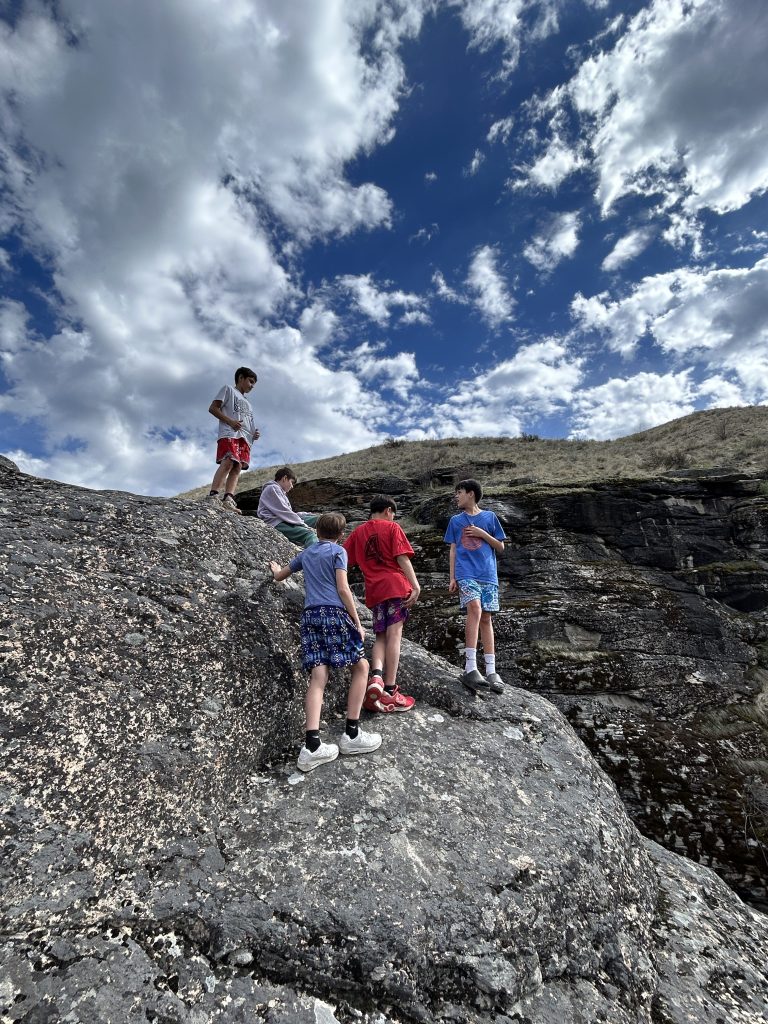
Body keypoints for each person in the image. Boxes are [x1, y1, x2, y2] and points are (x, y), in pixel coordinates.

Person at [269, 512, 381, 772]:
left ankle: (312, 745)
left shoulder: (306, 553)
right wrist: (356, 621)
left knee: (319, 675)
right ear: (341, 534)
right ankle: (352, 734)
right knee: (362, 667)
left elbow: (280, 575)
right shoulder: (338, 552)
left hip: (310, 617)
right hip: (333, 614)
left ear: (316, 530)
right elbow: (343, 588)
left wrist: (275, 569)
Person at [343, 495, 419, 713]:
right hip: (396, 587)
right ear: (388, 510)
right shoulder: (393, 528)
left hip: (375, 592)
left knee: (381, 636)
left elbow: (344, 558)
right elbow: (402, 558)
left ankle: (376, 676)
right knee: (395, 634)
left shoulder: (358, 532)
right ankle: (390, 689)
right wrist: (415, 586)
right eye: (393, 513)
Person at [444, 478, 507, 694]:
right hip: (466, 573)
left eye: (459, 492)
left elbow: (500, 547)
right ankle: (470, 667)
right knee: (475, 609)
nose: (456, 496)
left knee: (487, 618)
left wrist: (482, 534)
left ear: (471, 494)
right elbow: (453, 549)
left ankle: (491, 671)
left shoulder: (490, 517)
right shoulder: (455, 521)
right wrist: (452, 577)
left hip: (488, 575)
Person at [207, 367, 260, 513]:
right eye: (250, 381)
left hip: (245, 438)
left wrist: (253, 435)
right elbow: (213, 408)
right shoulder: (228, 389)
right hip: (230, 433)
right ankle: (213, 496)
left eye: (254, 383)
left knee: (238, 467)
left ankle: (228, 499)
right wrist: (230, 421)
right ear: (241, 378)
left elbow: (248, 422)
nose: (252, 386)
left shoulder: (248, 403)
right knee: (228, 461)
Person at [258, 467, 319, 548]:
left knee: (319, 520)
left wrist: (306, 514)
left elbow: (289, 513)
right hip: (276, 523)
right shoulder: (272, 488)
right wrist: (303, 524)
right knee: (310, 535)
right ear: (285, 478)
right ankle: (315, 558)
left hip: (284, 519)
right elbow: (284, 512)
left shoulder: (280, 491)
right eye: (292, 482)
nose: (292, 486)